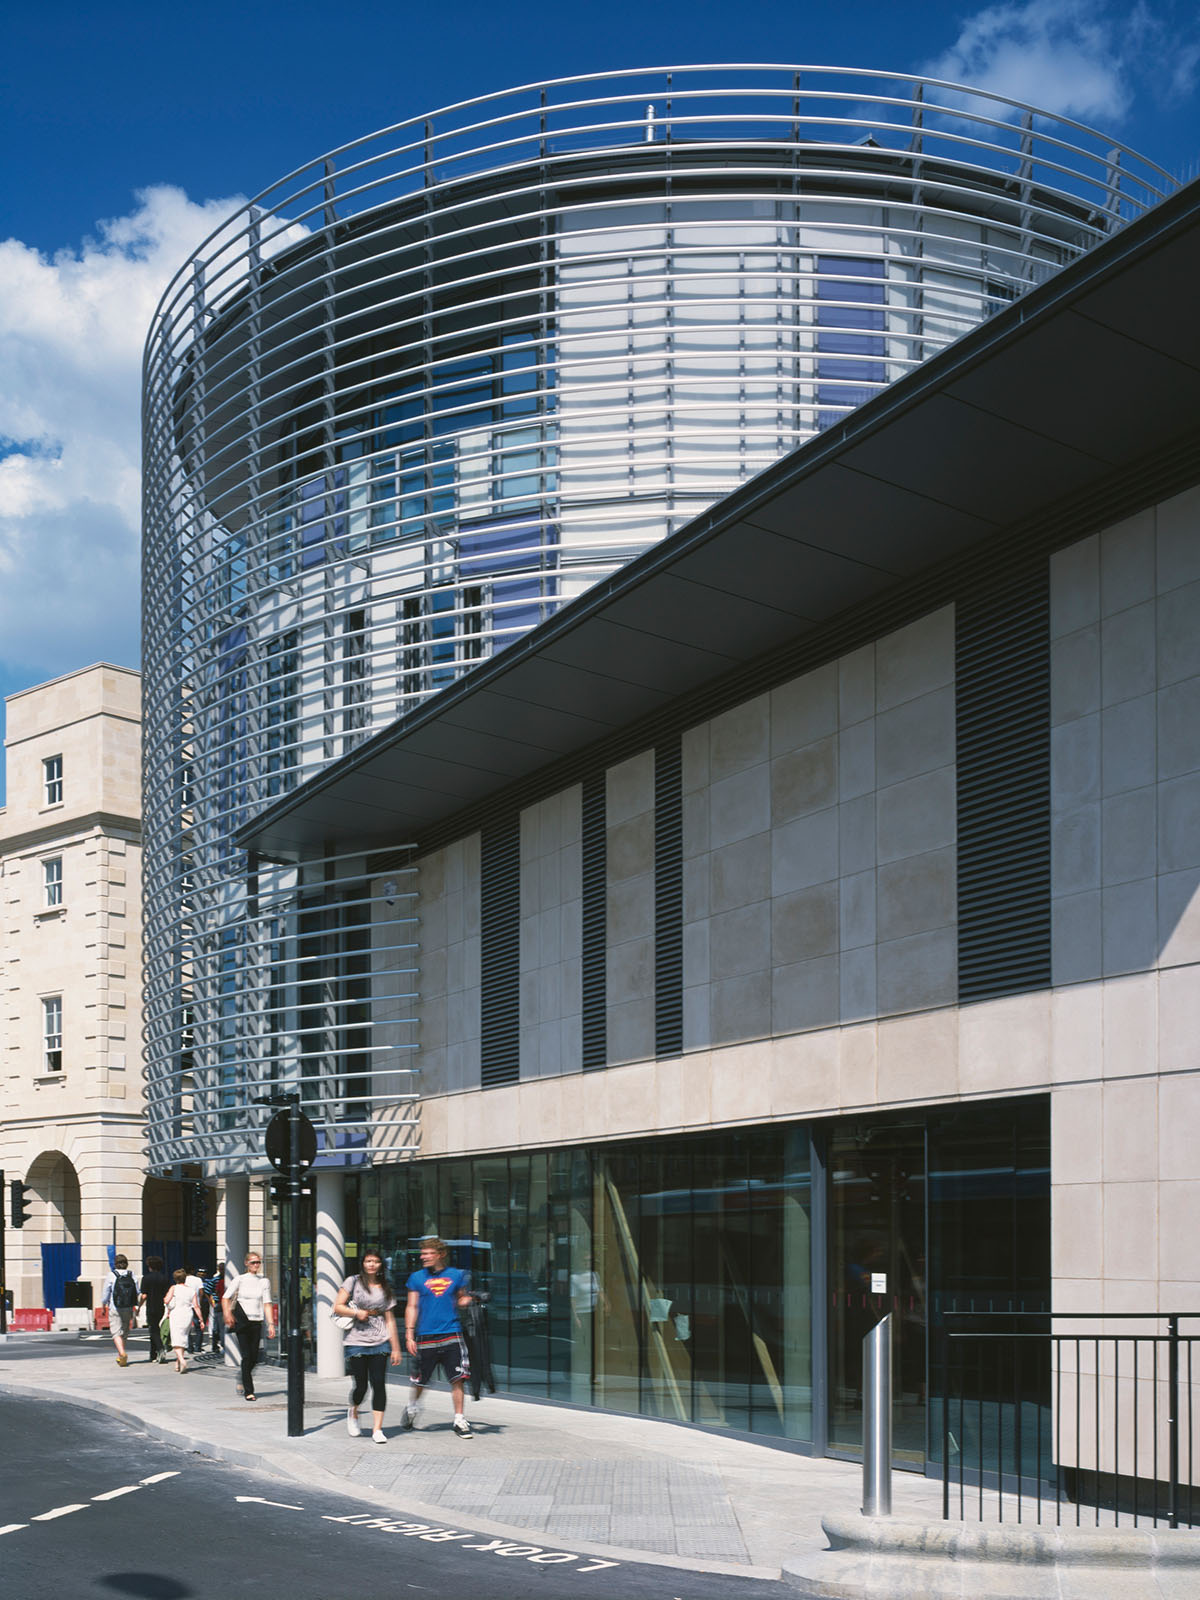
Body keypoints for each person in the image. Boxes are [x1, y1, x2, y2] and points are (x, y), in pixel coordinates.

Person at [403, 1236, 474, 1437]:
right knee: (420, 1380)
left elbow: (461, 1298)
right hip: (426, 1336)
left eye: (427, 1253)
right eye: (422, 1253)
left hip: (452, 1333)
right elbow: (412, 1306)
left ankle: (459, 1420)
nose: (423, 1257)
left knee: (458, 1378)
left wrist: (468, 1300)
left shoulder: (456, 1275)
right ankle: (412, 1407)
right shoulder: (416, 1278)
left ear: (440, 1254)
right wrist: (409, 1334)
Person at [333, 1249, 402, 1443]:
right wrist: (357, 1313)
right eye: (368, 1261)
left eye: (376, 1261)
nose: (371, 1264)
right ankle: (353, 1411)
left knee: (379, 1383)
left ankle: (377, 1429)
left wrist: (396, 1347)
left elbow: (390, 1320)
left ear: (381, 1265)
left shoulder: (386, 1287)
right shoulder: (352, 1281)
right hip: (356, 1340)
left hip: (380, 1340)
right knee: (361, 1386)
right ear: (363, 1263)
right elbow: (337, 1306)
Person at [222, 1250, 276, 1402]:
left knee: (254, 1358)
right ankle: (249, 1391)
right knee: (247, 1356)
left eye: (258, 1262)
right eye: (253, 1262)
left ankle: (242, 1375)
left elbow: (267, 1303)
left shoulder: (264, 1281)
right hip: (242, 1321)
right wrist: (227, 1314)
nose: (256, 1265)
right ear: (246, 1263)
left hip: (256, 1322)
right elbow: (225, 1298)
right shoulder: (240, 1279)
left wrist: (270, 1324)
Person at [101, 1254, 139, 1367]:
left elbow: (106, 1293)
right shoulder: (131, 1274)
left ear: (115, 1264)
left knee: (116, 1332)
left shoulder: (111, 1275)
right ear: (126, 1263)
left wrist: (104, 1305)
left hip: (115, 1307)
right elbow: (137, 1291)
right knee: (125, 1331)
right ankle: (120, 1355)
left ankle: (122, 1353)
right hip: (128, 1307)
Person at [164, 1267, 199, 1373]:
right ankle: (177, 1363)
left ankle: (182, 1360)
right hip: (188, 1314)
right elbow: (196, 1306)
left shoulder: (173, 1288)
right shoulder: (191, 1290)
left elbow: (167, 1300)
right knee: (183, 1337)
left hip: (176, 1314)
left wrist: (165, 1299)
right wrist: (201, 1320)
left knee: (176, 1339)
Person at [138, 1255, 170, 1364]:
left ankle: (160, 1349)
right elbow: (167, 1294)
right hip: (160, 1306)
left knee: (153, 1329)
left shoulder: (146, 1278)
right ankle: (153, 1354)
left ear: (150, 1266)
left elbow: (144, 1296)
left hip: (151, 1306)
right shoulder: (164, 1278)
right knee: (155, 1329)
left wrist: (139, 1307)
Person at [183, 1263, 205, 1354]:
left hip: (186, 1305)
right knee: (198, 1327)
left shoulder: (183, 1280)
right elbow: (201, 1292)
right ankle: (198, 1347)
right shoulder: (198, 1280)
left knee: (187, 1327)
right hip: (196, 1305)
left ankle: (189, 1347)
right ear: (192, 1271)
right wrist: (200, 1302)